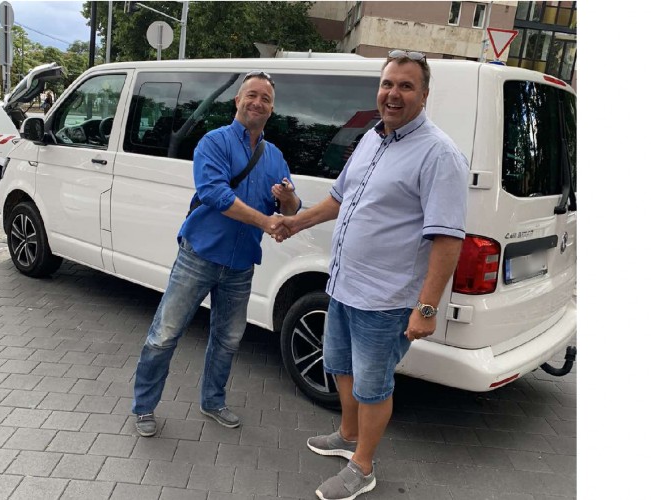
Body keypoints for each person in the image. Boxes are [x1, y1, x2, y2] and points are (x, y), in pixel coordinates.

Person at [272, 51, 469, 500]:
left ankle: (362, 467)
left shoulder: (439, 154)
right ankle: (347, 434)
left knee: (373, 386)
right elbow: (339, 199)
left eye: (406, 86)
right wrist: (295, 221)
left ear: (424, 94)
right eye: (387, 84)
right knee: (339, 366)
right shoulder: (371, 138)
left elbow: (447, 240)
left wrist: (426, 308)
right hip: (344, 285)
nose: (393, 94)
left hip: (386, 299)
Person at [132, 70, 300, 437]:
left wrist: (288, 199)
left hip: (240, 264)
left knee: (228, 340)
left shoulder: (274, 156)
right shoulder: (214, 142)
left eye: (266, 99)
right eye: (251, 95)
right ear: (237, 100)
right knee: (165, 334)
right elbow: (215, 194)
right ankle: (143, 406)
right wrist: (266, 221)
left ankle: (212, 401)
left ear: (272, 109)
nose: (258, 102)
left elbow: (291, 208)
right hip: (199, 256)